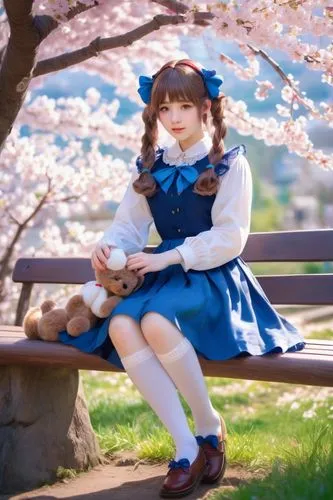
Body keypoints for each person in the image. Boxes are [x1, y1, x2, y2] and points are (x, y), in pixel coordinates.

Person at [59, 59, 306, 498]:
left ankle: (209, 423)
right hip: (163, 276)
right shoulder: (149, 164)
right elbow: (129, 226)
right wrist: (107, 245)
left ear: (205, 107)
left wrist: (170, 256)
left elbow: (232, 236)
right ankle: (186, 445)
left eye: (184, 107)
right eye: (165, 108)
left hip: (212, 278)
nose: (173, 118)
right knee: (119, 325)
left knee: (154, 322)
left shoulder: (230, 162)